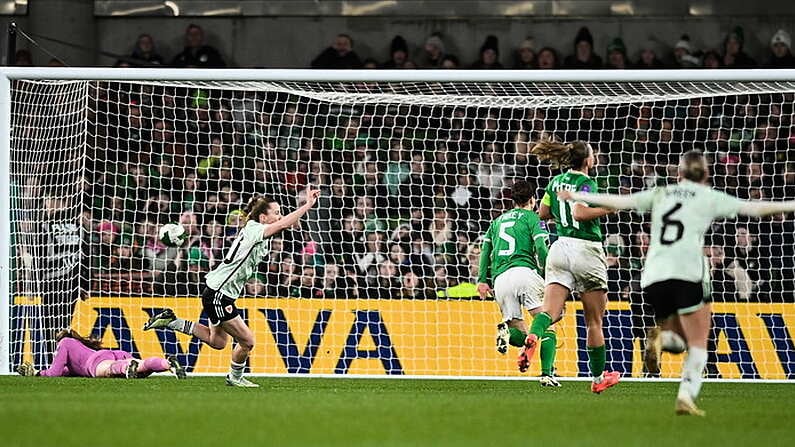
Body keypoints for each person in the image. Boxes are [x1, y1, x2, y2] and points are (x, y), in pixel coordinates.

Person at [558, 150, 795, 415]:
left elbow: (621, 201)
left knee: (673, 335)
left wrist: (579, 195)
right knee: (697, 341)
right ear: (705, 175)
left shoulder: (662, 193)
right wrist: (790, 205)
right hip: (688, 273)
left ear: (679, 174)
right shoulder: (708, 196)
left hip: (653, 275)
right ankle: (686, 394)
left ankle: (661, 339)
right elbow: (756, 209)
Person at [143, 189, 321, 387]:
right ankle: (235, 377)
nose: (279, 216)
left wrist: (299, 211)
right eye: (276, 212)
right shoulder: (255, 230)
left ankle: (172, 322)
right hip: (220, 294)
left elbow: (287, 223)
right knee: (248, 341)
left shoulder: (257, 228)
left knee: (217, 342)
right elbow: (285, 223)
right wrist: (307, 205)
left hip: (218, 290)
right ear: (263, 216)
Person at [525, 137, 621, 394]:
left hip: (560, 248)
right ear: (587, 160)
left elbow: (543, 214)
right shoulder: (586, 183)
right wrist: (609, 208)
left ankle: (533, 336)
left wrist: (561, 214)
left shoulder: (555, 182)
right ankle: (599, 377)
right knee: (594, 321)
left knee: (550, 312)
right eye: (592, 152)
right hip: (586, 250)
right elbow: (579, 212)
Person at [476, 180, 560, 387]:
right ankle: (547, 374)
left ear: (513, 200)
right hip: (525, 273)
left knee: (520, 333)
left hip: (501, 280)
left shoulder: (497, 222)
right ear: (533, 199)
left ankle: (504, 334)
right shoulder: (533, 218)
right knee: (548, 323)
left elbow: (485, 251)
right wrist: (551, 272)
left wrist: (482, 280)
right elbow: (541, 247)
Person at [16, 329, 184, 379]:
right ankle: (167, 364)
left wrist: (37, 373)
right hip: (115, 353)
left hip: (96, 361)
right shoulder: (79, 347)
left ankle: (126, 367)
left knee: (111, 369)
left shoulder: (64, 344)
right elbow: (66, 372)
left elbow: (55, 373)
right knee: (143, 366)